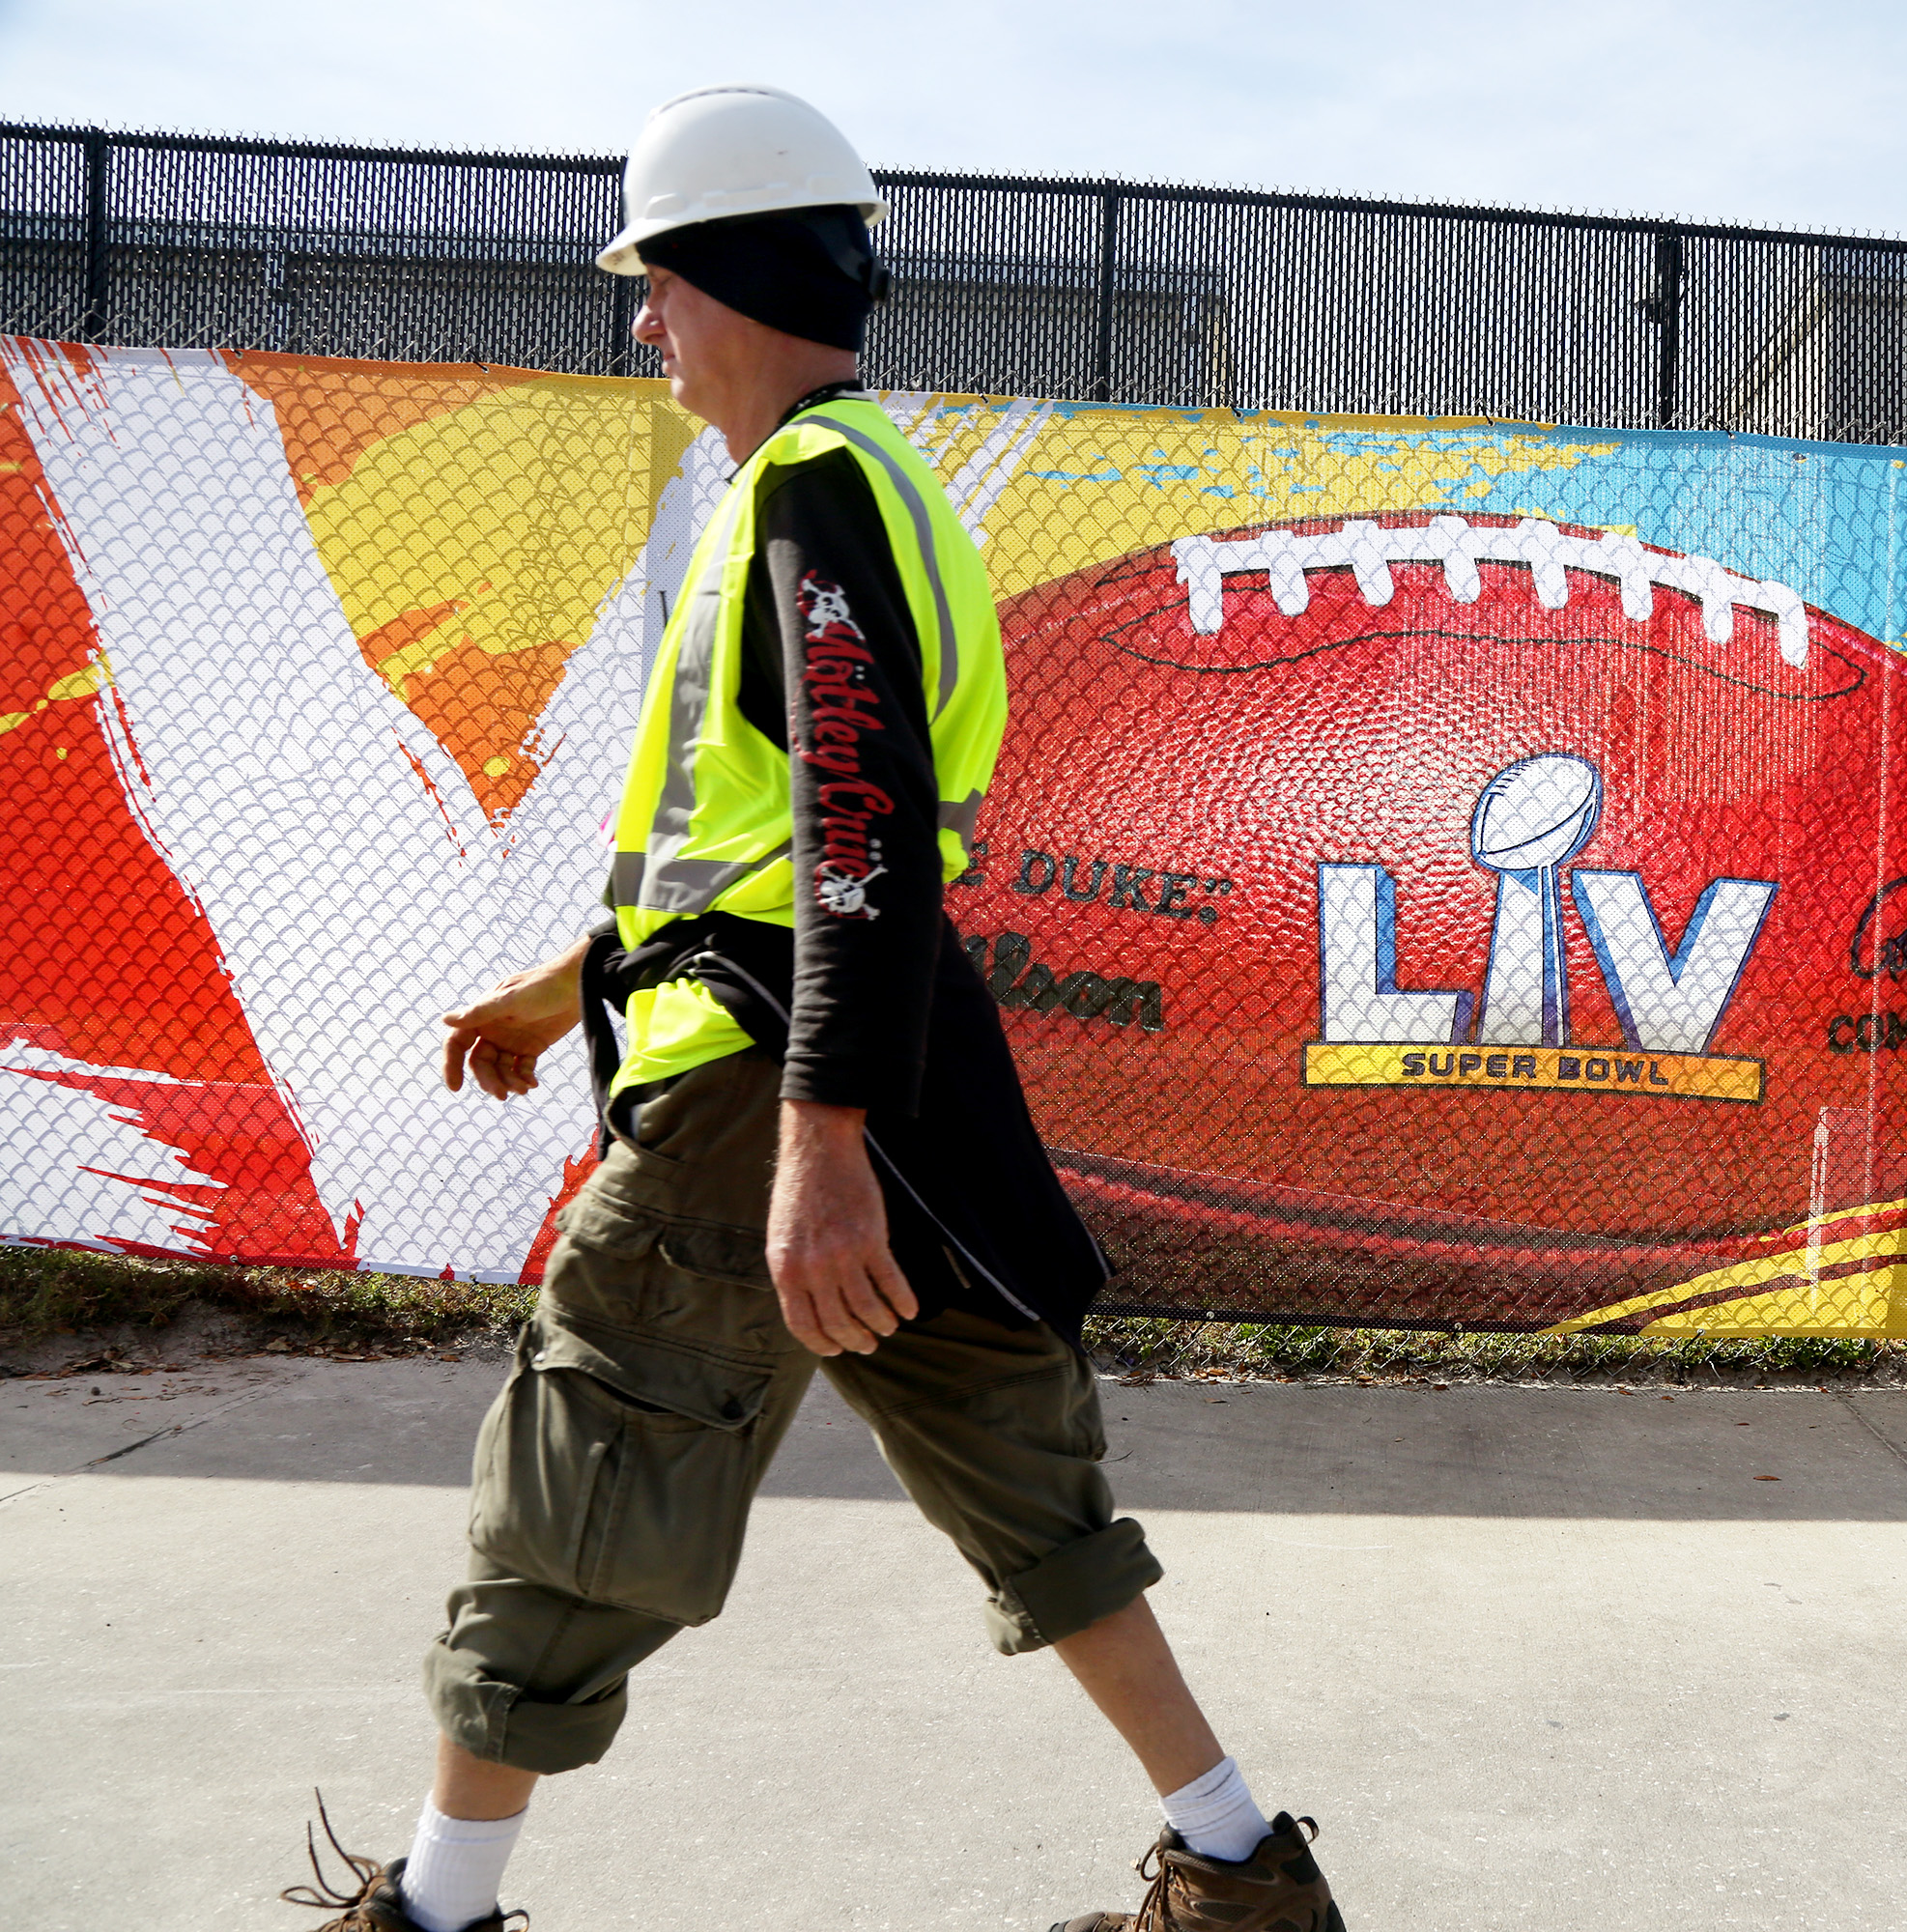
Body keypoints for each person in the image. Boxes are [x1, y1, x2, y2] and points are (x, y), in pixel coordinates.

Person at [282, 84, 1344, 1932]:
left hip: (772, 1100)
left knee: (581, 1473)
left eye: (660, 287)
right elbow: (786, 837)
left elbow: (853, 828)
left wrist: (817, 1145)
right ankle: (1243, 1875)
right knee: (1032, 1495)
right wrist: (568, 988)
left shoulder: (808, 491)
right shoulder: (874, 486)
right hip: (888, 1068)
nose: (644, 329)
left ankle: (433, 1916)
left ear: (732, 277)